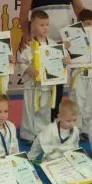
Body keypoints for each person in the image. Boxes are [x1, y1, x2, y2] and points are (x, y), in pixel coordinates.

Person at [18, 0, 85, 116]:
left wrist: (88, 29)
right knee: (40, 82)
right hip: (41, 41)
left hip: (62, 41)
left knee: (58, 81)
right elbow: (23, 13)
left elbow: (79, 9)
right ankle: (38, 120)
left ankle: (54, 119)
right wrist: (26, 36)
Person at [17, 11, 66, 142]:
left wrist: (64, 61)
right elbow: (21, 62)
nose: (45, 28)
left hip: (47, 84)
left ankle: (43, 133)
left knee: (45, 110)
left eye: (47, 24)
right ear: (33, 25)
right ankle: (28, 134)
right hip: (32, 84)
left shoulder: (54, 44)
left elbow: (60, 62)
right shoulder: (28, 44)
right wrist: (28, 69)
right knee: (30, 109)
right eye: (41, 25)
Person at [67, 9, 92, 136]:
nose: (91, 26)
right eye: (88, 24)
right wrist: (66, 49)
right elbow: (67, 59)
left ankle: (86, 129)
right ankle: (75, 128)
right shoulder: (72, 41)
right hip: (79, 75)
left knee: (90, 103)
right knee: (77, 101)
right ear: (80, 25)